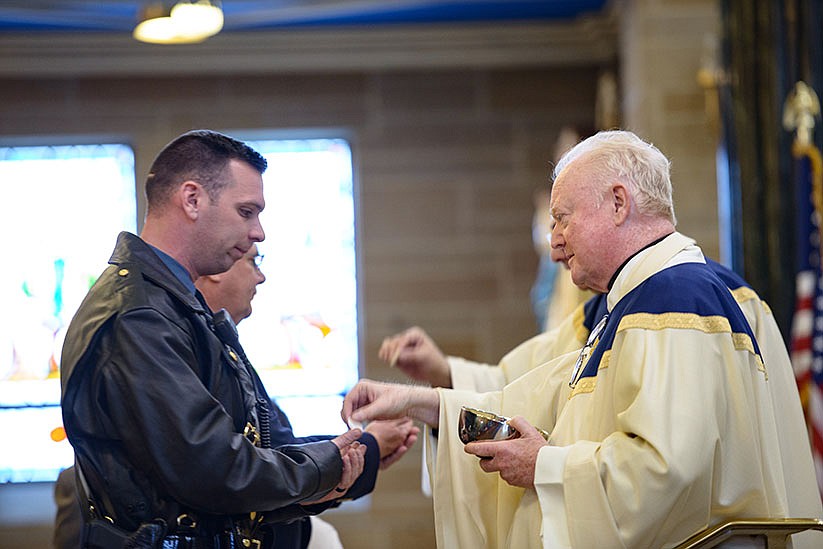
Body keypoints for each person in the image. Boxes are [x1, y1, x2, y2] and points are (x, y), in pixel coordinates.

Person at [343, 130, 821, 548]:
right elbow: (525, 395)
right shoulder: (629, 303)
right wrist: (418, 403)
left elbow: (664, 473)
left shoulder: (675, 300)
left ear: (618, 203)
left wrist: (544, 468)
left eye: (562, 218)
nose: (553, 243)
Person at [58, 129, 412, 548]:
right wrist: (334, 460)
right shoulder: (139, 315)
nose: (258, 232)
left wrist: (341, 462)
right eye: (246, 211)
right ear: (192, 200)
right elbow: (214, 470)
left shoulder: (172, 305)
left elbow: (233, 463)